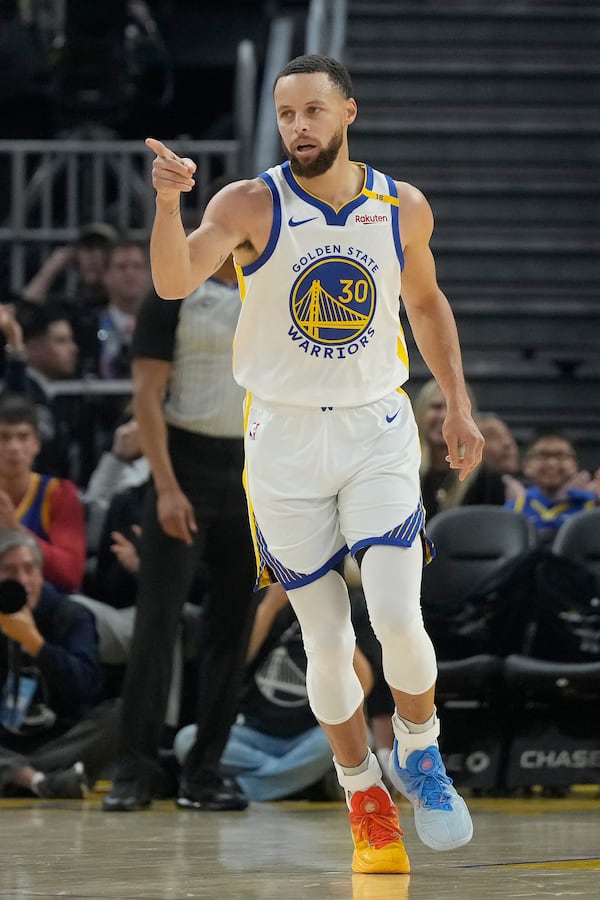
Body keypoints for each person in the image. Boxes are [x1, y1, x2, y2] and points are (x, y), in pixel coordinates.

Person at [142, 53, 484, 874]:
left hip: (375, 426)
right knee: (326, 643)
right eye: (285, 112)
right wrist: (167, 201)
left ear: (348, 113)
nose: (299, 126)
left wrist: (459, 402)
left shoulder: (401, 206)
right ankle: (361, 790)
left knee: (398, 615)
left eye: (313, 111)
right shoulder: (249, 201)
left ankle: (421, 753)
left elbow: (427, 303)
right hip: (285, 442)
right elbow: (172, 278)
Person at [101, 212, 259, 812]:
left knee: (232, 629)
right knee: (156, 622)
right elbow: (146, 394)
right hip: (183, 463)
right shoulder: (171, 295)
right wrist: (165, 489)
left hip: (250, 470)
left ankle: (205, 772)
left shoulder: (274, 292)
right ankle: (134, 770)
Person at [173, 581, 379, 803]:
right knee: (186, 740)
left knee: (361, 738)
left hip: (314, 735)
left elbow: (364, 685)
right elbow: (236, 664)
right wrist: (270, 605)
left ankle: (246, 787)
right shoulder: (266, 597)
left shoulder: (353, 604)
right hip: (255, 733)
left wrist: (334, 624)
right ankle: (295, 778)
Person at [0, 529, 118, 798]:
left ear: (41, 574)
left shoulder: (71, 615)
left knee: (121, 714)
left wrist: (36, 644)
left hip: (62, 738)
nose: (23, 580)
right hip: (5, 741)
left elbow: (85, 688)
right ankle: (45, 781)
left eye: (30, 569)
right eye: (9, 571)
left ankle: (21, 777)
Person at [0, 392, 86, 593]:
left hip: (46, 606)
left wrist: (16, 532)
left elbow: (71, 574)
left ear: (36, 444)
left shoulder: (59, 494)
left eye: (23, 437)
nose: (14, 447)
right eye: (3, 437)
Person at [0, 301, 81, 481]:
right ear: (33, 347)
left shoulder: (64, 397)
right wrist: (15, 343)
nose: (73, 349)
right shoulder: (19, 390)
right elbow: (17, 406)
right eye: (61, 341)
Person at [506, 433, 598, 543]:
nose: (552, 463)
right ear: (527, 465)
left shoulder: (591, 504)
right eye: (543, 455)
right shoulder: (515, 508)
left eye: (561, 456)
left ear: (575, 464)